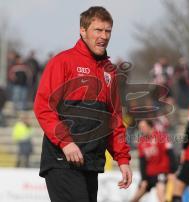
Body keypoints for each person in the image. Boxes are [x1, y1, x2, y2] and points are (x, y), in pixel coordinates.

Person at [34, 6, 132, 202]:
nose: (103, 36)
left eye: (108, 31)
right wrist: (66, 142)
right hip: (62, 160)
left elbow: (114, 119)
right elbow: (43, 107)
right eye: (98, 30)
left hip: (90, 163)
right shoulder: (63, 62)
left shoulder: (109, 71)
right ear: (83, 30)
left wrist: (122, 159)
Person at [131, 120, 177, 202]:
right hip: (149, 174)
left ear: (150, 126)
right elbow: (142, 162)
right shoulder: (141, 141)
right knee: (136, 197)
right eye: (140, 128)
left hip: (161, 171)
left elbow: (171, 154)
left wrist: (172, 171)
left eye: (143, 127)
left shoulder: (161, 137)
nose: (141, 129)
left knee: (160, 192)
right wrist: (144, 179)